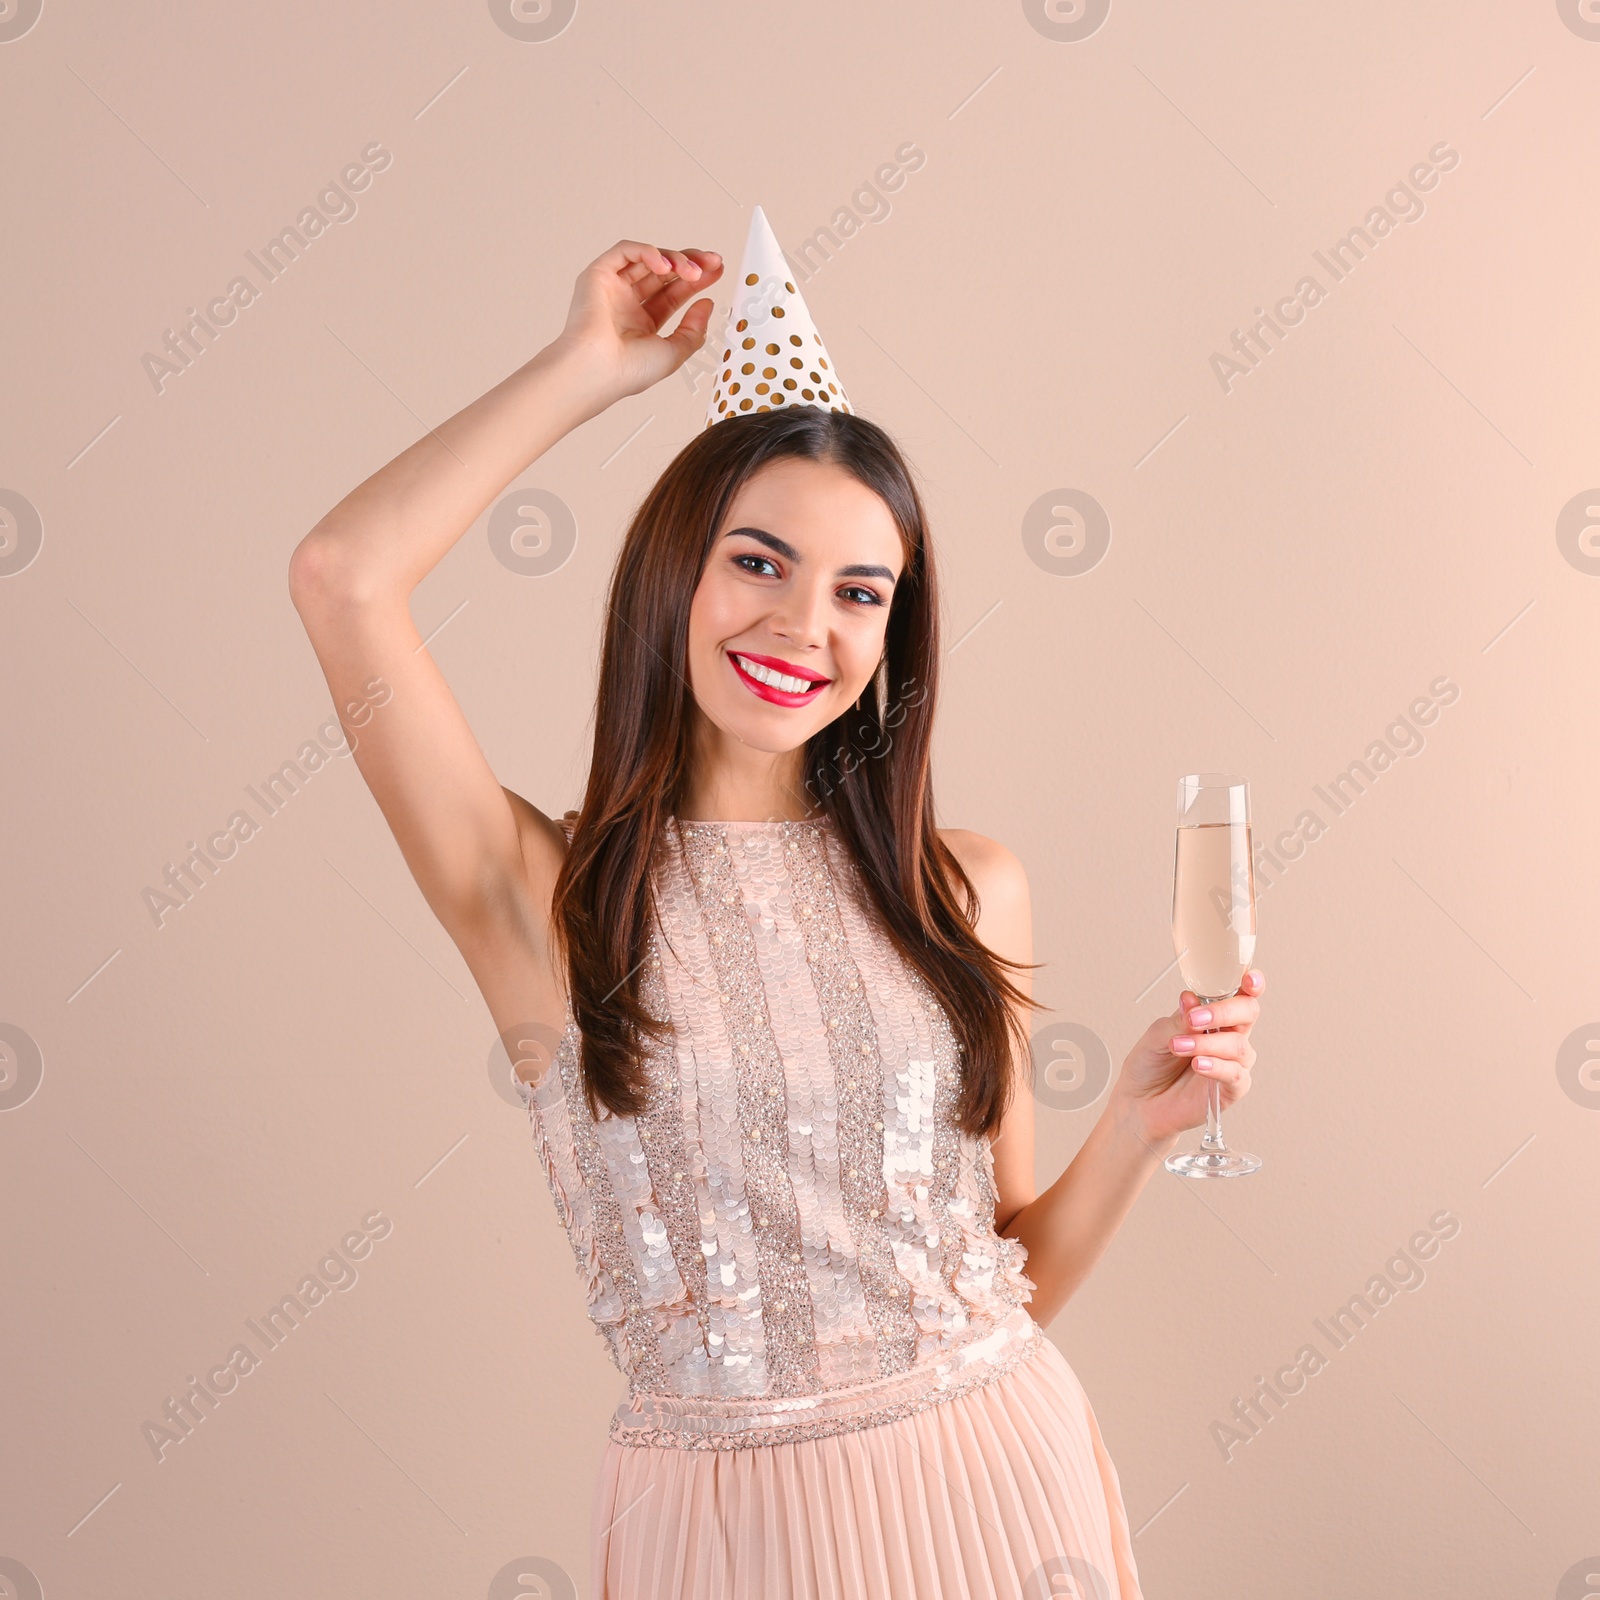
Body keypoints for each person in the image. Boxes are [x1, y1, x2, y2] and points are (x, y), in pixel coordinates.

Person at [289, 230, 1265, 1600]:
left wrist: (1138, 1126)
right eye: (759, 561)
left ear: (890, 642)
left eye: (860, 592)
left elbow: (1004, 1280)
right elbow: (343, 576)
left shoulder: (965, 885)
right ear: (672, 572)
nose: (806, 622)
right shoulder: (540, 898)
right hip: (728, 1535)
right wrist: (584, 372)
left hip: (999, 1486)